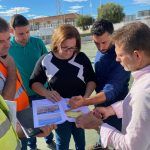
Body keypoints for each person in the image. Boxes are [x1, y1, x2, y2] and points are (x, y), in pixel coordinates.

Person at [75, 22, 150, 150]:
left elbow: (132, 146)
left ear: (137, 55)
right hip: (108, 108)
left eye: (120, 55)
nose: (117, 59)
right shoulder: (142, 78)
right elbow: (136, 103)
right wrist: (112, 109)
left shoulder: (144, 92)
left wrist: (98, 126)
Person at [29, 24, 96, 150]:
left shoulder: (81, 57)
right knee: (62, 142)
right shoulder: (46, 60)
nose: (69, 52)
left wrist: (85, 99)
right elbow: (34, 82)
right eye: (65, 48)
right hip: (58, 110)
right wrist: (46, 93)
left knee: (80, 139)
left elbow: (91, 80)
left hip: (78, 108)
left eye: (73, 48)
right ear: (56, 43)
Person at [69, 19, 130, 149]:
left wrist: (85, 102)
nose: (101, 47)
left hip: (117, 108)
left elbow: (112, 89)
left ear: (112, 36)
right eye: (96, 43)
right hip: (100, 103)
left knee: (119, 138)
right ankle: (103, 144)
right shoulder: (100, 51)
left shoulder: (120, 56)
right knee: (103, 132)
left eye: (104, 42)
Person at [0, 16, 56, 149]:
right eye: (21, 33)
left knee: (45, 123)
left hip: (41, 92)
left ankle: (49, 141)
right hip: (24, 99)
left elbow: (48, 64)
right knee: (29, 127)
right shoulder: (9, 50)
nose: (25, 36)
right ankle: (32, 146)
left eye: (27, 32)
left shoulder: (37, 43)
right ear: (12, 31)